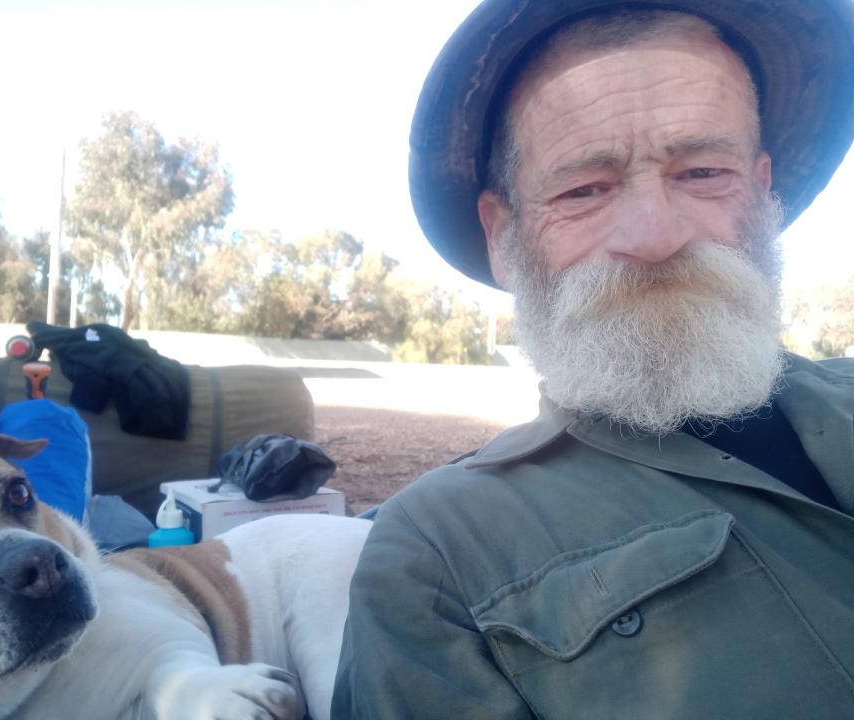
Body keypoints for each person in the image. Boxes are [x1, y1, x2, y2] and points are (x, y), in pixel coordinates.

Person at [332, 1, 854, 718]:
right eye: (584, 190)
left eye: (702, 172)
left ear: (762, 190)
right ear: (503, 233)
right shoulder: (438, 555)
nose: (655, 235)